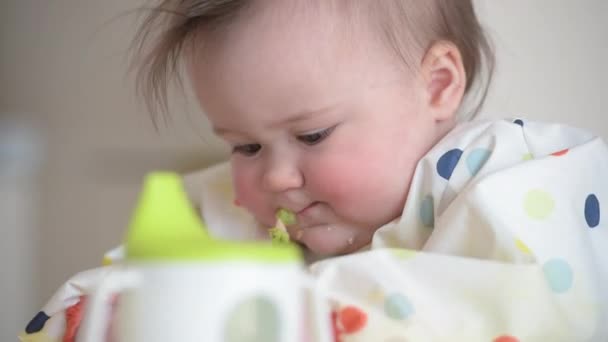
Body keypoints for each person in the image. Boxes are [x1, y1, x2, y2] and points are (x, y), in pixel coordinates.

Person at [21, 1, 608, 341]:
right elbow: (131, 279)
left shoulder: (507, 170)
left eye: (312, 135)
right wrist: (99, 319)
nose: (274, 177)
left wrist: (286, 311)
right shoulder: (230, 205)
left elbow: (528, 306)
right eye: (245, 145)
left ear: (437, 85)